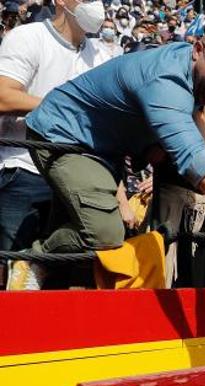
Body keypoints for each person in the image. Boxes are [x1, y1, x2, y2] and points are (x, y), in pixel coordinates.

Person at [15, 22, 205, 288]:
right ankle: (34, 260)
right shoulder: (165, 79)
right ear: (197, 50)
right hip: (64, 137)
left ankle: (47, 297)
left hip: (99, 150)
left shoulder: (192, 69)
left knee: (80, 246)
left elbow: (202, 146)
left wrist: (147, 145)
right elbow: (199, 162)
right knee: (104, 233)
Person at [0, 0, 117, 285]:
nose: (97, 5)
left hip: (80, 182)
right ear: (61, 1)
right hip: (24, 171)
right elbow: (4, 96)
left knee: (60, 284)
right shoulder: (28, 38)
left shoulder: (102, 54)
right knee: (11, 278)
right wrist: (62, 107)